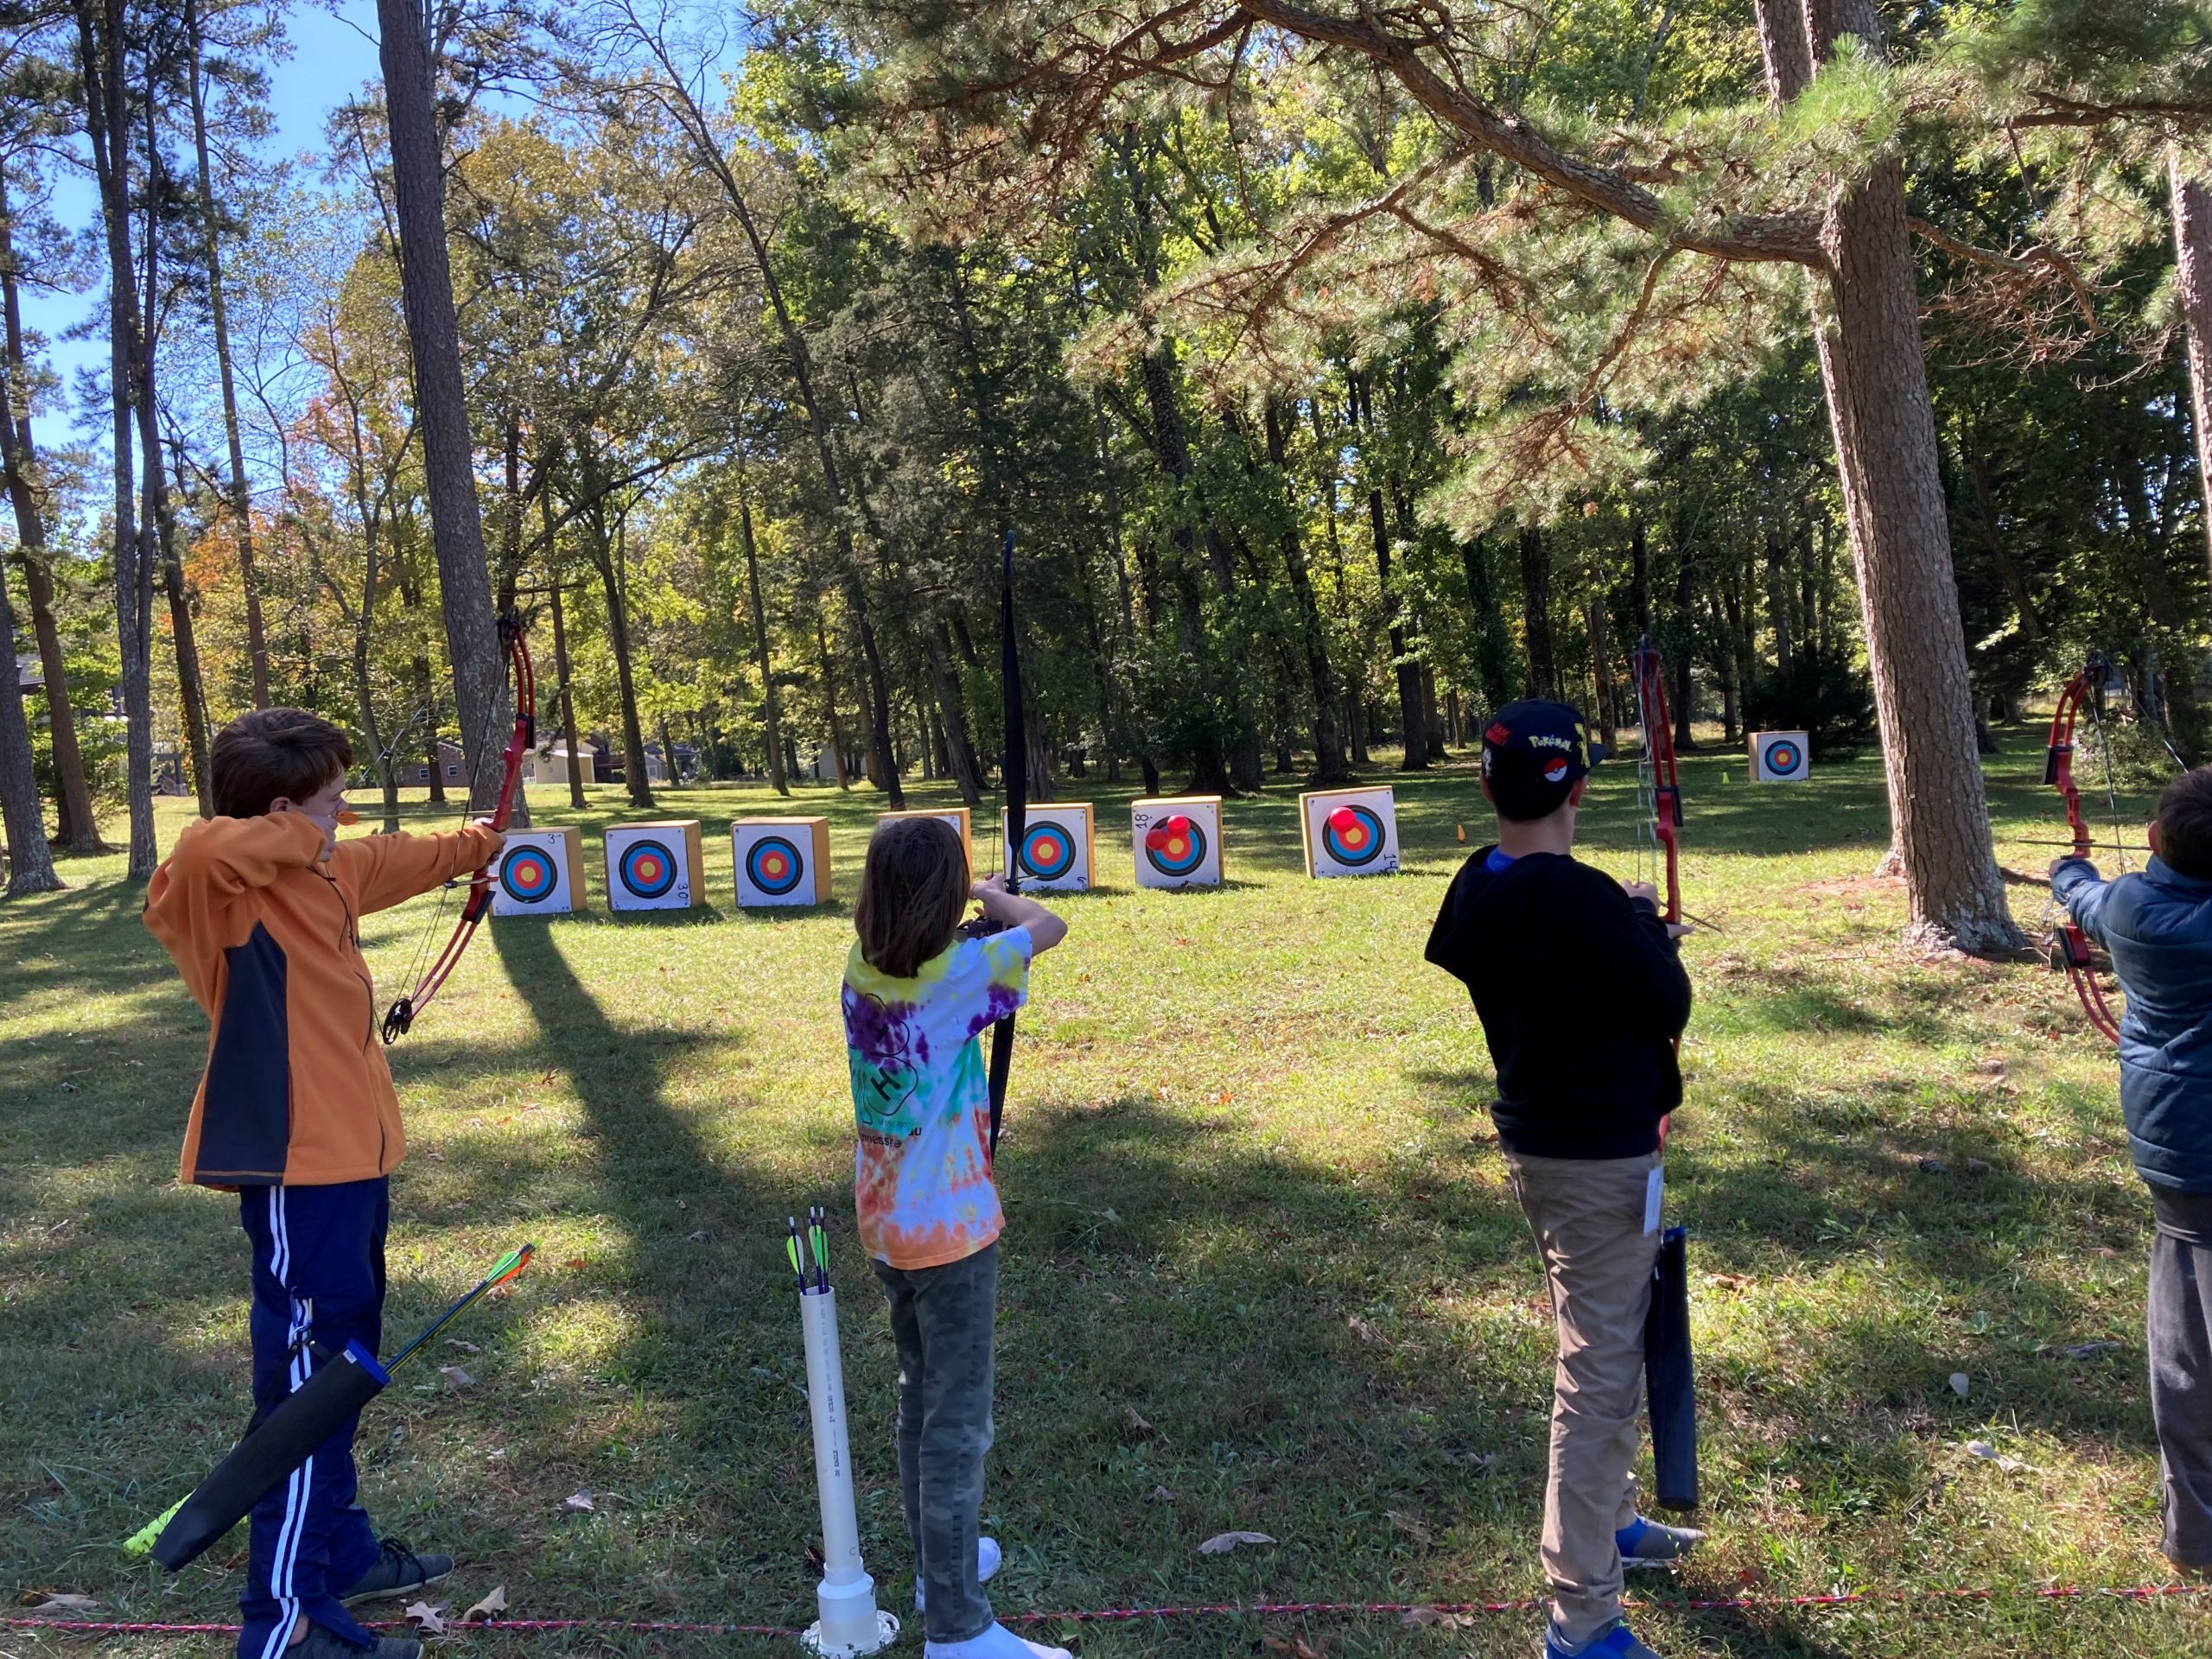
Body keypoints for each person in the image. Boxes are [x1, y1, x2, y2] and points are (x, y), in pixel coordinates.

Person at [144, 709, 506, 1659]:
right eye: (330, 802)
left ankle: (336, 1550)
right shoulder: (219, 893)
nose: (343, 818)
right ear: (281, 812)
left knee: (336, 1372)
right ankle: (287, 1622)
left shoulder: (327, 870)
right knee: (310, 1387)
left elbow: (399, 857)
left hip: (350, 1167)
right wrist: (303, 827)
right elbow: (196, 851)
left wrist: (478, 843)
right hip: (298, 1171)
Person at [1423, 700, 1702, 1659]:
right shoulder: (1581, 901)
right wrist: (1641, 927)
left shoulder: (1475, 889)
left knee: (1604, 1344)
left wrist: (1618, 923)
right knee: (1596, 1375)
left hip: (1542, 1147)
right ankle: (1582, 1620)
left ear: (1482, 786)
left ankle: (1612, 1520)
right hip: (1597, 1160)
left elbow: (1541, 950)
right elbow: (1668, 1000)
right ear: (1577, 788)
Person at [842, 816, 1071, 1659]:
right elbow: (1049, 927)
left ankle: (940, 1563)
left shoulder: (863, 969)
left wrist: (956, 912)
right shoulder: (961, 974)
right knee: (955, 1427)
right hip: (950, 1235)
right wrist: (990, 896)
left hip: (886, 1224)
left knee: (918, 1398)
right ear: (943, 903)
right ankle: (958, 1628)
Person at [2053, 766, 2212, 1573]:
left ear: (2154, 840)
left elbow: (2081, 891)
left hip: (2178, 1161)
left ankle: (2196, 1536)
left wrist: (2068, 868)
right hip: (2187, 1159)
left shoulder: (2130, 909)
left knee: (2184, 1352)